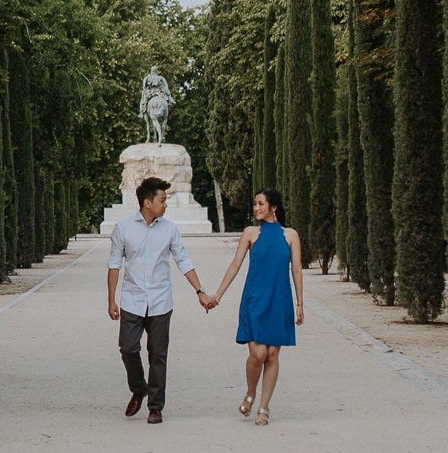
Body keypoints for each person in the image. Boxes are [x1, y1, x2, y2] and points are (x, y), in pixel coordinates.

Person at [106, 176, 212, 424]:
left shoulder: (170, 229)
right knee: (128, 348)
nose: (165, 205)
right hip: (132, 300)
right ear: (146, 202)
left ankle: (155, 407)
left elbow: (183, 260)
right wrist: (111, 300)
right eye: (162, 200)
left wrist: (200, 291)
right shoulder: (123, 228)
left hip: (161, 301)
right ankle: (138, 388)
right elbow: (114, 265)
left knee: (158, 355)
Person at [208, 188, 303, 425]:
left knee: (272, 354)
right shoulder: (251, 233)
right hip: (254, 299)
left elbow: (297, 270)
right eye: (255, 204)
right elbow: (235, 265)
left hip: (279, 300)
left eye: (261, 204)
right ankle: (250, 391)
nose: (256, 208)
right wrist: (218, 294)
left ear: (274, 207)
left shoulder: (290, 235)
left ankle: (263, 407)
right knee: (258, 353)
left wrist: (300, 303)